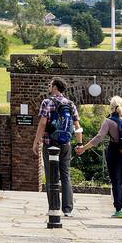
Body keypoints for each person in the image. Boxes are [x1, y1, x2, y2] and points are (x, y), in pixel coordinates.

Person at [77, 95, 122, 218]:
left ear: (111, 108)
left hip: (114, 152)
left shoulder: (108, 121)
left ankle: (119, 210)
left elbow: (98, 138)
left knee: (116, 181)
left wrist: (84, 148)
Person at [31, 78, 82, 216]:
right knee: (65, 176)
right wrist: (79, 143)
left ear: (54, 87)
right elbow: (77, 126)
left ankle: (53, 207)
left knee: (51, 175)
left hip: (50, 143)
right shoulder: (70, 104)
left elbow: (42, 124)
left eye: (50, 85)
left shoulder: (47, 102)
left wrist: (36, 142)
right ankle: (68, 209)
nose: (49, 87)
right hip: (66, 144)